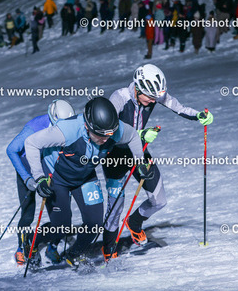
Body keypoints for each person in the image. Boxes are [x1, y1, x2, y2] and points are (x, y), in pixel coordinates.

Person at [24, 97, 146, 266]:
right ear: (88, 126)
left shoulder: (114, 130)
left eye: (109, 135)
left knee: (95, 224)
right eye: (100, 135)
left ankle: (73, 255)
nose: (105, 140)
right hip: (58, 178)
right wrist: (39, 177)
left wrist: (140, 162)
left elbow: (132, 136)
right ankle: (31, 240)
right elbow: (31, 143)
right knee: (61, 226)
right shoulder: (68, 130)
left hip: (86, 176)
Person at [103, 64, 213, 253]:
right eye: (150, 97)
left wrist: (198, 115)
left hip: (139, 152)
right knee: (115, 208)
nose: (153, 101)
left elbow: (179, 108)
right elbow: (107, 132)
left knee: (159, 200)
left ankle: (134, 223)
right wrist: (139, 134)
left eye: (155, 97)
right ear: (138, 88)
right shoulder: (119, 97)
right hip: (115, 155)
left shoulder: (154, 94)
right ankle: (108, 250)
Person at [6, 100, 75, 265]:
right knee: (28, 213)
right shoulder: (35, 126)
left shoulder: (70, 125)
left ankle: (52, 246)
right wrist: (26, 178)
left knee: (61, 216)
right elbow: (11, 149)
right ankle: (22, 247)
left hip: (49, 170)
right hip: (27, 169)